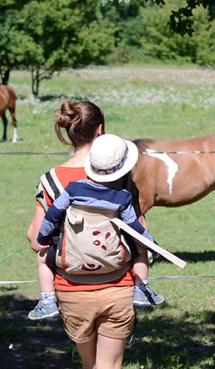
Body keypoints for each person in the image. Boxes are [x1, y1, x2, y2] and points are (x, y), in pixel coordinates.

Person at [24, 100, 148, 369]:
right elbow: (141, 236)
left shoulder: (53, 179)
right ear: (102, 131)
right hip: (117, 289)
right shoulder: (121, 176)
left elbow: (34, 239)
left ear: (67, 132)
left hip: (70, 291)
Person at [28, 131, 164, 322]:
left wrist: (43, 238)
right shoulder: (123, 196)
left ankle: (47, 300)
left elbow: (52, 215)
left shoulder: (73, 188)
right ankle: (142, 288)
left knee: (42, 257)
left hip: (71, 258)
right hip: (113, 260)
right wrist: (152, 245)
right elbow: (135, 228)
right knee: (141, 249)